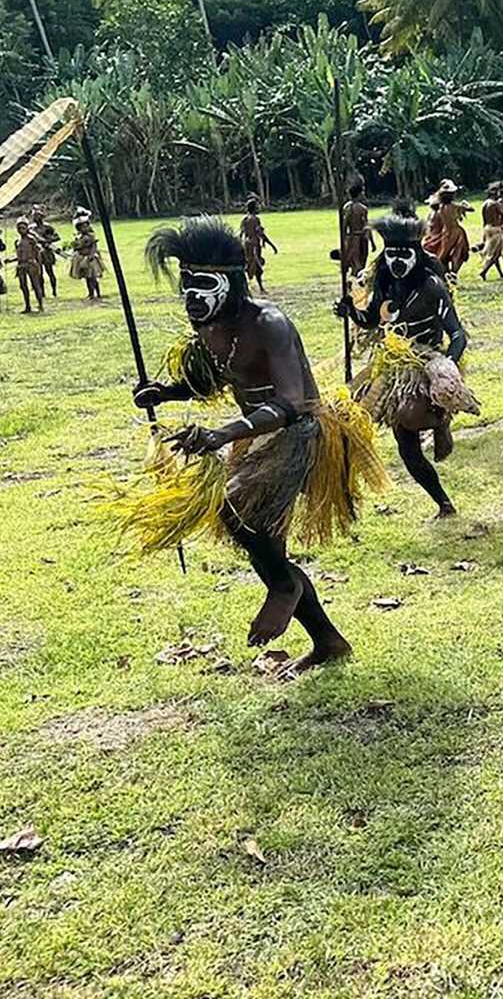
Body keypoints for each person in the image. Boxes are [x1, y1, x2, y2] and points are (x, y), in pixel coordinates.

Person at [117, 218, 385, 675]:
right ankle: (326, 639)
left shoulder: (269, 323)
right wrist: (165, 391)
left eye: (202, 284)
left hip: (299, 433)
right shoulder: (212, 325)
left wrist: (221, 435)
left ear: (231, 283)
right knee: (262, 544)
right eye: (185, 284)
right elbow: (217, 378)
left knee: (237, 509)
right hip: (252, 436)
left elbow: (291, 402)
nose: (191, 297)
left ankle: (285, 589)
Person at [339, 209, 479, 519]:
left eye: (404, 254)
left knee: (408, 415)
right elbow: (372, 320)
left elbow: (457, 335)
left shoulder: (432, 286)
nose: (397, 261)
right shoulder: (386, 282)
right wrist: (351, 309)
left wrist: (447, 367)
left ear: (417, 253)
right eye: (391, 254)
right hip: (392, 361)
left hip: (427, 359)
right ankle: (444, 503)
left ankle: (442, 420)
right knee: (400, 443)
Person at [423, 180, 471, 279]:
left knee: (455, 253)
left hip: (447, 233)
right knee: (447, 255)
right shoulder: (447, 208)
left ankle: (451, 273)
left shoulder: (440, 208)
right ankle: (449, 273)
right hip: (451, 233)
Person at [475, 182, 503, 281]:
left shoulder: (485, 204)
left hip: (487, 228)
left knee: (493, 252)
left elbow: (484, 220)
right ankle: (483, 271)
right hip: (496, 229)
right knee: (496, 254)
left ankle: (500, 273)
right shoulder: (495, 204)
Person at [335, 177, 372, 280]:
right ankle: (355, 282)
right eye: (362, 193)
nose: (364, 195)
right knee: (357, 263)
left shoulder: (347, 207)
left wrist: (344, 239)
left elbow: (344, 226)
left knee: (357, 261)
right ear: (359, 194)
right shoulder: (361, 208)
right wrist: (371, 240)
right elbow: (366, 225)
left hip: (353, 237)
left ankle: (355, 280)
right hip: (357, 238)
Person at [239, 196, 277, 292]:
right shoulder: (255, 219)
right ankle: (260, 288)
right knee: (257, 267)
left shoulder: (244, 219)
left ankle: (252, 287)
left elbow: (241, 233)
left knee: (249, 265)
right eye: (257, 206)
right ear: (254, 208)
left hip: (246, 245)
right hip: (254, 246)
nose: (259, 208)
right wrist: (272, 245)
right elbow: (260, 234)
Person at [12, 217, 46, 314]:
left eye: (23, 228)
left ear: (27, 228)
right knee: (23, 286)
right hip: (21, 265)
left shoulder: (31, 240)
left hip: (31, 264)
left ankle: (40, 305)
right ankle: (27, 306)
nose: (21, 230)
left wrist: (38, 265)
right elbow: (19, 255)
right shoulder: (17, 242)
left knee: (35, 285)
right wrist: (10, 260)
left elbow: (38, 253)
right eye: (19, 228)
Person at [69, 209, 105, 301]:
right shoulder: (78, 237)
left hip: (90, 258)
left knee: (92, 277)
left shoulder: (90, 236)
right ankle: (91, 293)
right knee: (87, 278)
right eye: (82, 227)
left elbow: (94, 246)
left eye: (86, 226)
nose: (84, 228)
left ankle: (97, 293)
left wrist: (91, 256)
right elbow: (77, 247)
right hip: (82, 258)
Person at [30, 204, 61, 299]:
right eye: (34, 215)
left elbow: (57, 237)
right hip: (36, 253)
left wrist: (47, 240)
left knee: (50, 272)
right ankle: (42, 292)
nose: (36, 217)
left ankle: (54, 291)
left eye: (38, 215)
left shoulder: (48, 227)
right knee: (39, 274)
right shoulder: (31, 228)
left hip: (47, 252)